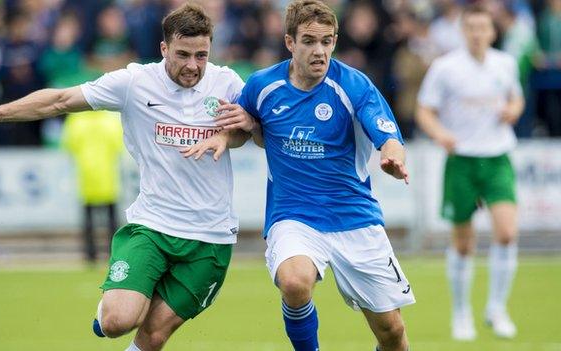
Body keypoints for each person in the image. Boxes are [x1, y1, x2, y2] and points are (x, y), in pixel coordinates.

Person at [0, 4, 250, 351]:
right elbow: (60, 100)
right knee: (116, 322)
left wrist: (229, 135)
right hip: (153, 226)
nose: (192, 66)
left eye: (201, 55)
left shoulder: (227, 83)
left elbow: (253, 129)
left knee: (153, 336)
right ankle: (123, 297)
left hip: (209, 237)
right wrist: (0, 113)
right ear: (164, 48)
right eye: (183, 54)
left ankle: (139, 292)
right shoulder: (135, 83)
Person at [185, 1, 415, 350]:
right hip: (293, 216)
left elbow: (388, 135)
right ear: (290, 42)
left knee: (392, 333)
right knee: (294, 282)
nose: (319, 51)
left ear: (335, 41)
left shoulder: (354, 86)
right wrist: (225, 135)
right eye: (309, 41)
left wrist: (393, 157)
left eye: (326, 41)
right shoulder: (263, 85)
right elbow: (245, 128)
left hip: (354, 217)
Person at [416, 4, 524, 341]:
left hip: (497, 158)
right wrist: (439, 134)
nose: (478, 34)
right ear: (464, 31)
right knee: (463, 244)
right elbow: (424, 110)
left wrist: (512, 111)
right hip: (461, 160)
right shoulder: (445, 68)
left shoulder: (504, 64)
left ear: (492, 32)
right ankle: (461, 313)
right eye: (472, 27)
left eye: (484, 28)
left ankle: (496, 308)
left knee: (506, 233)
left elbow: (516, 99)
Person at [62, 110, 124, 264]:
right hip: (108, 174)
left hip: (86, 174)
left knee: (88, 218)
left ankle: (90, 254)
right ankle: (113, 252)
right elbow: (119, 145)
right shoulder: (111, 119)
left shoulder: (75, 119)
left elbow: (69, 145)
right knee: (111, 219)